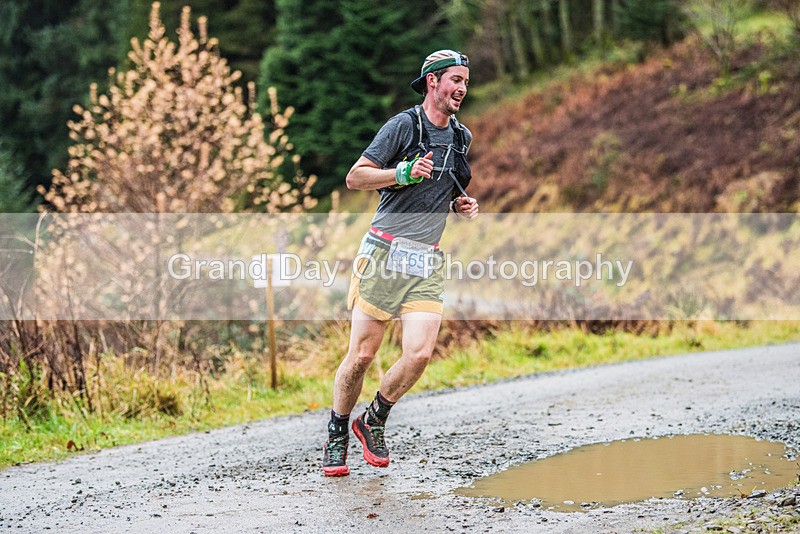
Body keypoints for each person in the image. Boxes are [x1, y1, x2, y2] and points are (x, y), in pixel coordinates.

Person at [323, 50, 479, 476]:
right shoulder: (403, 126)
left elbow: (446, 186)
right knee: (361, 356)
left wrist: (460, 204)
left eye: (465, 81)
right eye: (454, 80)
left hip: (426, 261)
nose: (462, 88)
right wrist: (402, 172)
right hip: (384, 253)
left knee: (420, 354)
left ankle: (372, 419)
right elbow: (356, 177)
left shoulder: (462, 137)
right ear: (432, 82)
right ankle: (337, 433)